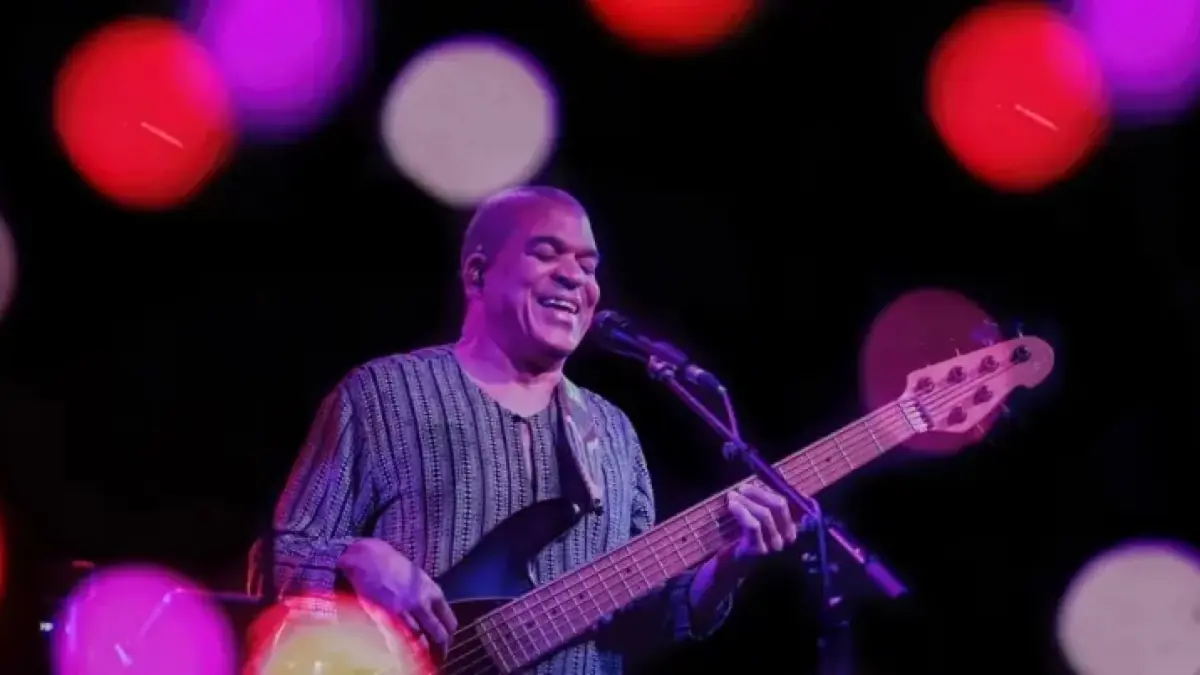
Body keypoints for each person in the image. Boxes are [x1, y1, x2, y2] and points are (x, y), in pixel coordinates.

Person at [255, 186, 799, 674]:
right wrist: (355, 560)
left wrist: (726, 569)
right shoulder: (381, 395)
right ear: (477, 273)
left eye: (588, 266)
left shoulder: (614, 433)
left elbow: (641, 619)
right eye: (546, 253)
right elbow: (270, 564)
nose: (574, 276)